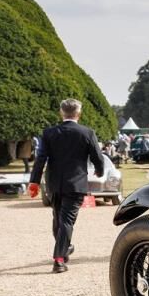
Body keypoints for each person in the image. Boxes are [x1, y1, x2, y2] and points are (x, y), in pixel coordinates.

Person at [28, 98, 104, 273]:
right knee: (66, 221)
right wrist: (99, 171)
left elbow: (41, 159)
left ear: (62, 113)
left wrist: (34, 181)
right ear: (79, 113)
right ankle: (59, 259)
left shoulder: (49, 133)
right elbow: (97, 157)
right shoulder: (87, 133)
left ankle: (64, 248)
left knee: (58, 219)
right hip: (76, 183)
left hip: (54, 183)